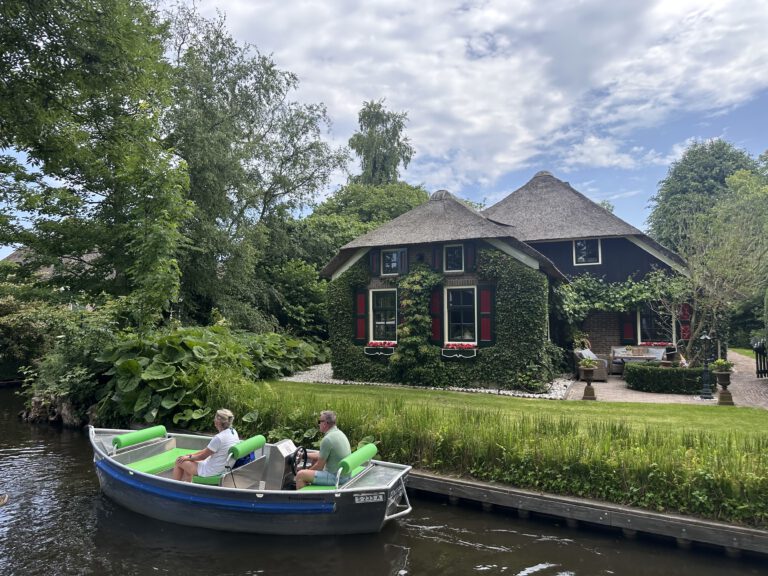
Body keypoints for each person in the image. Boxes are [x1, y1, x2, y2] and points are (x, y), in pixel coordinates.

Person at [173, 408, 240, 482]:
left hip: (211, 470)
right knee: (187, 461)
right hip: (222, 467)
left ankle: (174, 487)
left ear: (218, 422)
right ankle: (187, 485)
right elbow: (207, 450)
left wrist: (188, 457)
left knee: (179, 461)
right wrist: (190, 455)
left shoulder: (218, 438)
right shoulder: (233, 432)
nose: (214, 420)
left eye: (215, 418)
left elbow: (202, 457)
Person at [295, 410, 351, 490]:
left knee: (300, 475)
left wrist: (306, 471)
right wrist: (304, 455)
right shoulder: (339, 433)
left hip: (337, 478)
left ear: (324, 423)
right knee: (313, 462)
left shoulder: (327, 439)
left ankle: (303, 499)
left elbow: (319, 467)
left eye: (319, 421)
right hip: (345, 474)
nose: (318, 424)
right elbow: (321, 455)